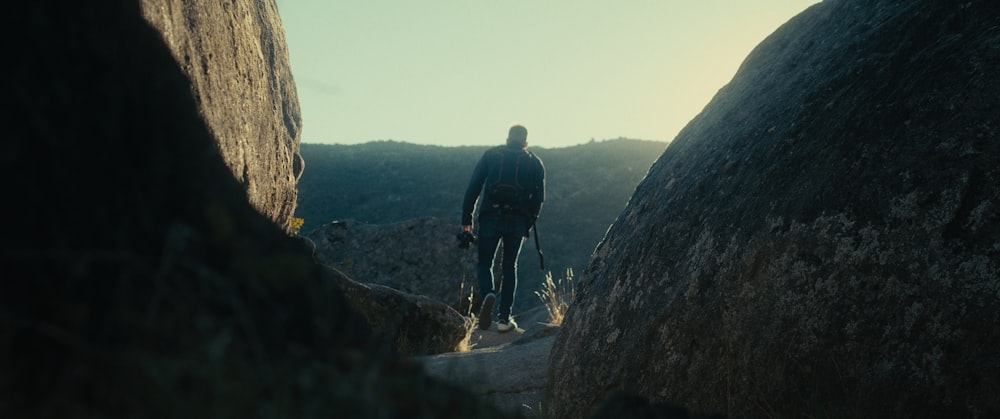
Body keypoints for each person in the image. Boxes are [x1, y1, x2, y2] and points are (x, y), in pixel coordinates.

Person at [461, 124, 545, 332]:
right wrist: (528, 222)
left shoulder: (491, 155)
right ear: (526, 142)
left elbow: (473, 188)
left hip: (490, 216)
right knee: (509, 267)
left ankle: (488, 292)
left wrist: (467, 220)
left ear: (508, 139)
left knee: (485, 263)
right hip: (517, 221)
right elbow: (539, 199)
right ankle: (504, 319)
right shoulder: (534, 162)